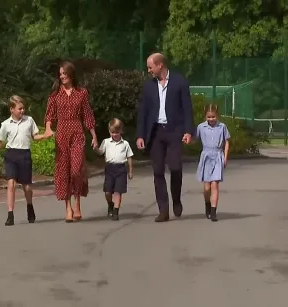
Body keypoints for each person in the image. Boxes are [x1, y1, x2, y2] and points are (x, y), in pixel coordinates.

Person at [136, 53, 195, 223]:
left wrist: (188, 131)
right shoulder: (148, 86)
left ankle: (176, 199)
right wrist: (140, 135)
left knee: (175, 167)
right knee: (158, 171)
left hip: (174, 131)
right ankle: (163, 210)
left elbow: (187, 108)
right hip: (156, 133)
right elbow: (143, 113)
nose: (148, 70)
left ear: (160, 65)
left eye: (150, 67)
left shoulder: (179, 82)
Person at [43, 60, 98, 223]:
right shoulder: (55, 95)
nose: (62, 77)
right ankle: (68, 208)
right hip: (61, 135)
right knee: (64, 172)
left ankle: (78, 203)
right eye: (60, 74)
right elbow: (49, 115)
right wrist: (47, 128)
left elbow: (87, 115)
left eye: (64, 74)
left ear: (71, 75)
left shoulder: (81, 93)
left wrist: (94, 135)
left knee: (76, 170)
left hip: (77, 133)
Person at [0, 95, 50, 226]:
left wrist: (44, 135)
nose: (22, 111)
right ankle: (10, 215)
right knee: (11, 184)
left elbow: (35, 136)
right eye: (20, 109)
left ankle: (29, 206)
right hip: (11, 155)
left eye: (23, 108)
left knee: (26, 187)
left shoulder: (29, 121)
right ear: (12, 109)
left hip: (24, 155)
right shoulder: (6, 124)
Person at [94, 118, 134, 221]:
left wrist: (130, 171)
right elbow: (100, 152)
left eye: (117, 132)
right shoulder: (106, 142)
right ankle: (110, 204)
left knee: (118, 191)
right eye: (112, 132)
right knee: (108, 191)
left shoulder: (125, 144)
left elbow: (129, 157)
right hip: (110, 168)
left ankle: (116, 211)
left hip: (121, 169)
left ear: (121, 131)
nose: (115, 134)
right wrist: (96, 148)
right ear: (109, 131)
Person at [196, 104, 230, 222]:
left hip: (217, 156)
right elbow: (195, 139)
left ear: (217, 116)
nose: (211, 119)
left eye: (213, 117)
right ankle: (207, 204)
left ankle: (214, 211)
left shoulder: (222, 127)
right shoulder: (201, 127)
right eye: (209, 117)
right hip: (206, 156)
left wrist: (225, 157)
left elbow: (226, 142)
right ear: (205, 117)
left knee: (215, 184)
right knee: (206, 187)